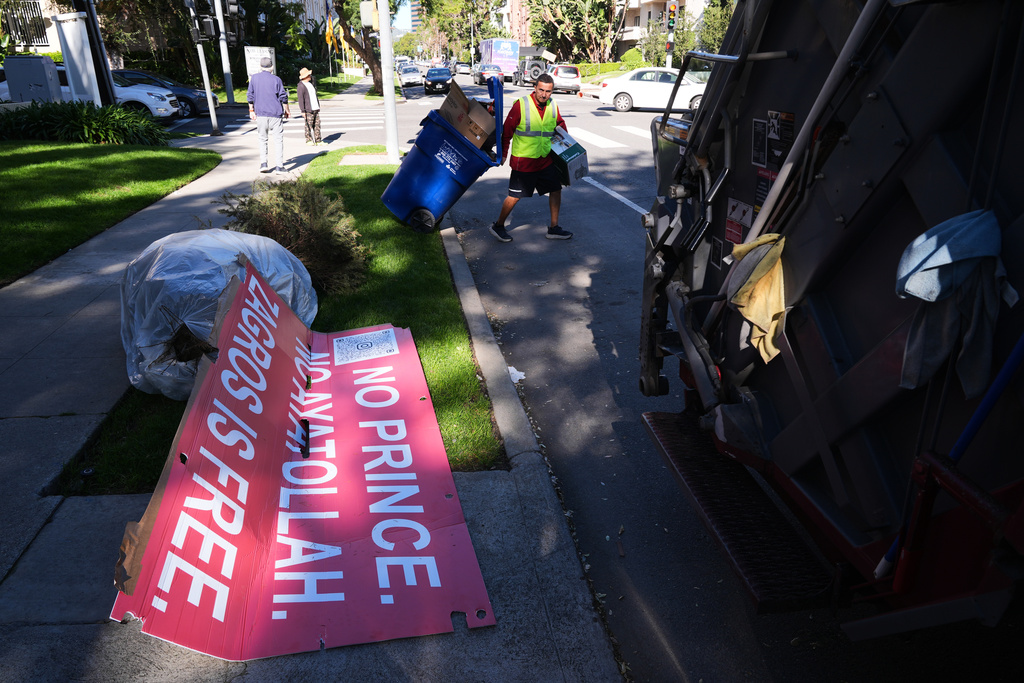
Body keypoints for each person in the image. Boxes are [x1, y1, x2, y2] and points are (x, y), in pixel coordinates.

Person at [489, 73, 573, 242]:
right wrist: (503, 153)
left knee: (556, 189)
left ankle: (554, 228)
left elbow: (560, 125)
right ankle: (498, 226)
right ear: (534, 88)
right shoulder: (521, 105)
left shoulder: (552, 105)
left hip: (545, 158)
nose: (544, 94)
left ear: (552, 91)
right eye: (541, 90)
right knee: (515, 196)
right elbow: (507, 131)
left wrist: (567, 146)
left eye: (548, 91)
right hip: (525, 161)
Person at [246, 56, 290, 173]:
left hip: (260, 113)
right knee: (278, 140)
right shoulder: (276, 79)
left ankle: (264, 164)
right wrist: (287, 110)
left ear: (260, 67)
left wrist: (251, 111)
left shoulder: (254, 79)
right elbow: (283, 97)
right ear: (272, 67)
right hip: (275, 113)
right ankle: (279, 166)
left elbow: (250, 96)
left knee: (262, 139)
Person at [296, 67, 322, 146]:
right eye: (309, 75)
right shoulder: (301, 86)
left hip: (315, 107)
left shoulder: (310, 84)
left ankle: (318, 140)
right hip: (308, 109)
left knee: (317, 125)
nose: (310, 76)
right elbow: (301, 99)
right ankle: (309, 139)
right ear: (305, 76)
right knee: (308, 125)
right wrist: (303, 111)